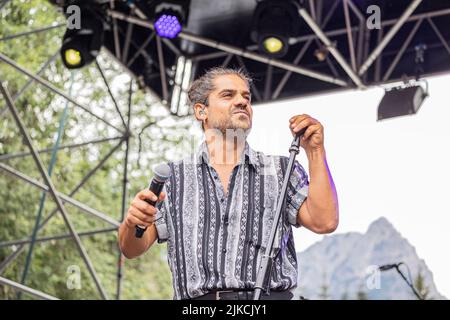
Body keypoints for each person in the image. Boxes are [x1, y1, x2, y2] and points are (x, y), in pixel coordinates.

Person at [118, 67, 339, 300]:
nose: (242, 102)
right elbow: (130, 249)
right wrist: (132, 222)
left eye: (246, 97)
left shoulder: (281, 169)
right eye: (228, 95)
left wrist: (315, 151)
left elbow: (324, 222)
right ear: (201, 111)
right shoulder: (173, 178)